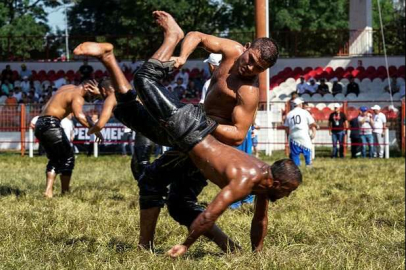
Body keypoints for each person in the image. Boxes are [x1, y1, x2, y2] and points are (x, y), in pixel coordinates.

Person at [73, 11, 298, 258]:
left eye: (259, 67)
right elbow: (197, 36)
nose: (250, 67)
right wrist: (182, 56)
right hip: (196, 133)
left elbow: (237, 136)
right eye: (252, 59)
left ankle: (170, 37)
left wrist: (207, 123)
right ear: (245, 48)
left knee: (145, 79)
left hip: (206, 135)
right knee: (162, 186)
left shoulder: (249, 91)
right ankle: (222, 249)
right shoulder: (231, 51)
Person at [34, 80, 103, 198]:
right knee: (68, 158)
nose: (92, 98)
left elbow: (83, 115)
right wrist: (95, 130)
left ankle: (48, 191)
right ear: (87, 87)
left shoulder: (67, 87)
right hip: (51, 124)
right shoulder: (78, 96)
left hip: (40, 124)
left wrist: (92, 125)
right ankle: (65, 192)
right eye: (93, 94)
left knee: (55, 158)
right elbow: (79, 116)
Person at [284, 97, 317, 167]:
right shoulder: (305, 112)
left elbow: (286, 127)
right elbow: (312, 123)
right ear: (299, 104)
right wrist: (316, 126)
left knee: (295, 152)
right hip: (303, 133)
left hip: (293, 134)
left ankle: (297, 166)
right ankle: (308, 164)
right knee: (307, 149)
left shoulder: (289, 114)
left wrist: (288, 135)